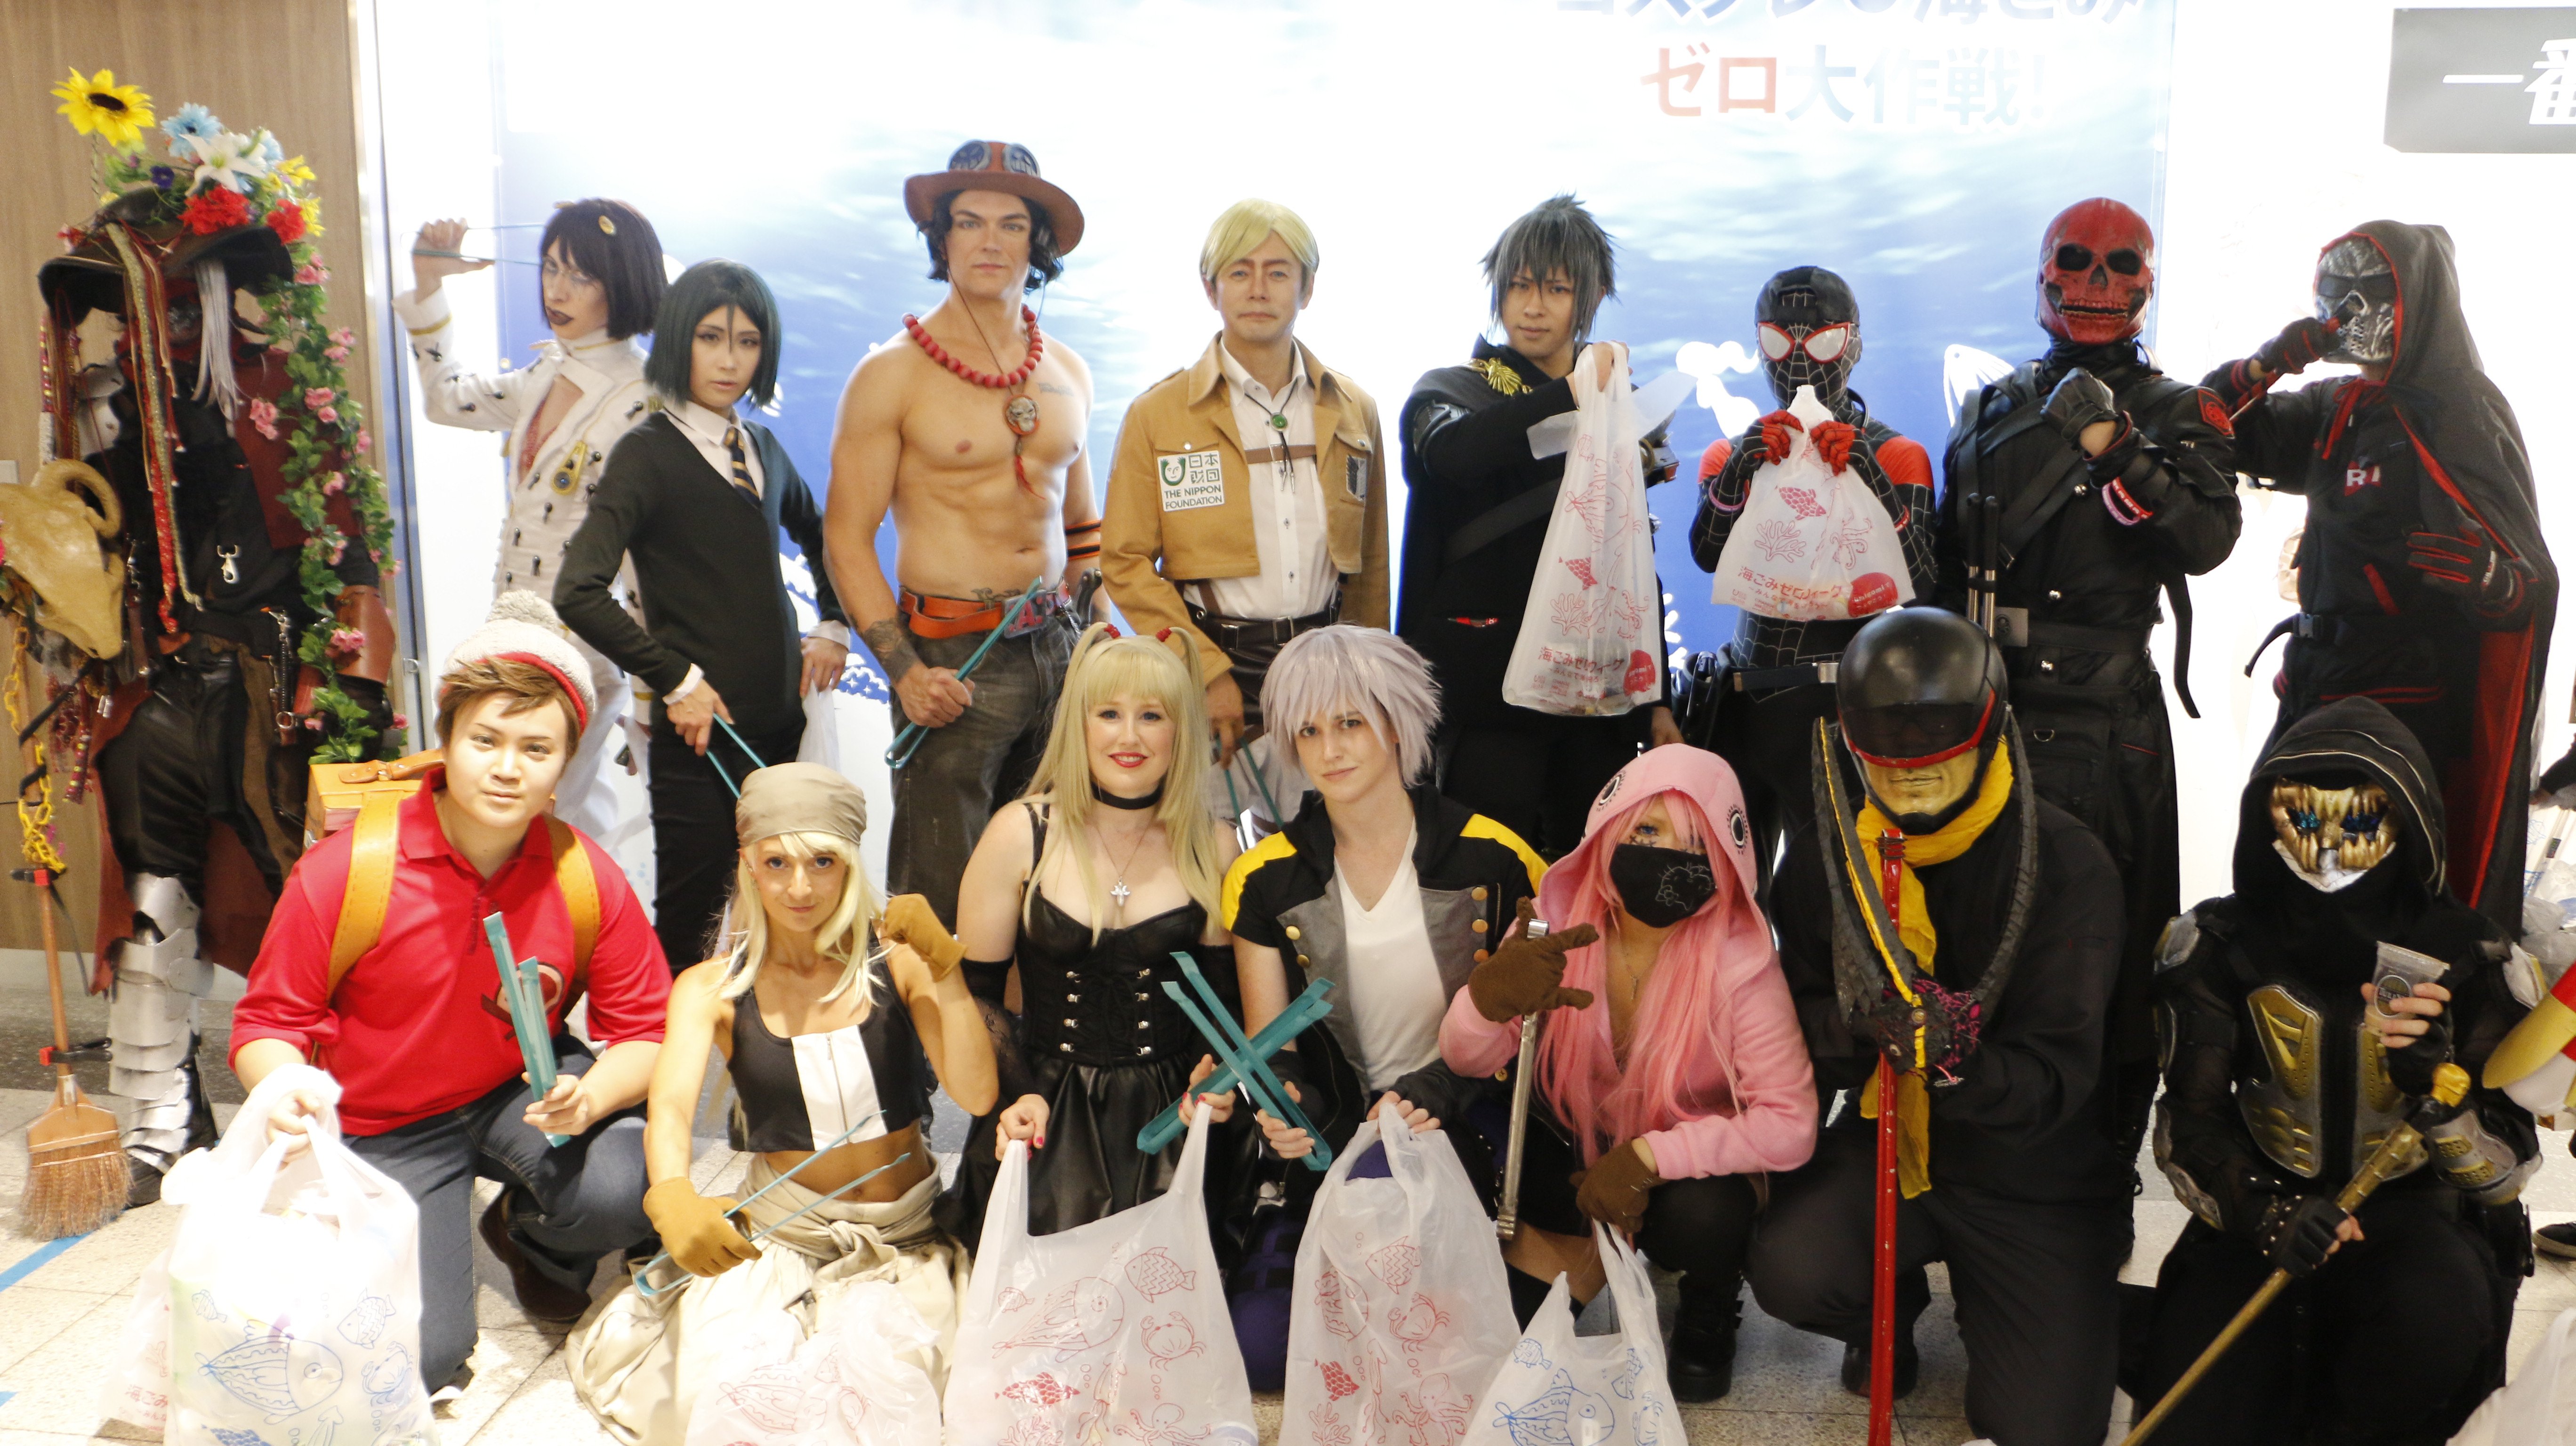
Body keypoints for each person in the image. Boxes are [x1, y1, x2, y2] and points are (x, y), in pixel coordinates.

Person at [41, 185, 394, 1205]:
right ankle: (159, 1124)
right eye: (132, 305)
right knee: (152, 904)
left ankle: (346, 1108)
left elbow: (351, 560)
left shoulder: (287, 398)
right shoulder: (108, 414)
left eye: (169, 299)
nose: (148, 324)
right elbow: (87, 565)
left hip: (271, 691)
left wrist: (358, 702)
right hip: (151, 688)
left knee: (313, 901)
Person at [228, 596, 668, 1394]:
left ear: (565, 761)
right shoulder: (350, 869)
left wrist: (593, 1095)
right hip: (385, 1122)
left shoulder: (582, 874)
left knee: (631, 1180)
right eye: (485, 740)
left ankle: (534, 1240)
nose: (507, 768)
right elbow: (268, 1022)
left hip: (521, 1090)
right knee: (423, 1361)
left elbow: (649, 1032)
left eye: (536, 748)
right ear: (447, 738)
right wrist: (284, 1089)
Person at [1748, 607, 2130, 1446]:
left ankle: (2038, 1304)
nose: (1915, 765)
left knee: (2042, 1431)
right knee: (1793, 1267)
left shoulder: (2068, 864)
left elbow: (2061, 1077)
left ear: (1990, 727)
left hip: (2032, 1172)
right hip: (1886, 1140)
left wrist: (1959, 1060)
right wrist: (1859, 1028)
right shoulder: (1825, 858)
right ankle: (1887, 1308)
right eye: (1889, 745)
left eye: (1940, 739)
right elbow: (1794, 1022)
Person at [2137, 697, 2536, 1445]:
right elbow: (2188, 1123)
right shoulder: (2217, 943)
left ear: (2407, 818)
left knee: (2431, 1330)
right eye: (2301, 815)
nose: (2326, 844)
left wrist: (2440, 1094)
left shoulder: (2475, 956)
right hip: (2260, 1209)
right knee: (2195, 1412)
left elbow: (2505, 1171)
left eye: (2356, 819)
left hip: (2415, 1221)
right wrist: (2264, 1211)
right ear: (2267, 814)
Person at [1934, 196, 2240, 1170]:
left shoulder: (2179, 411)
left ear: (2148, 283)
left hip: (2107, 722)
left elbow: (2208, 538)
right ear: (2044, 275)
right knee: (1973, 930)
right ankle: (1971, 1145)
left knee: (2102, 943)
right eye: (2077, 261)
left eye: (2121, 266)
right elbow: (1943, 561)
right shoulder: (1990, 406)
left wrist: (2121, 451)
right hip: (1983, 710)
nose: (2098, 284)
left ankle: (2092, 1168)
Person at [566, 763, 992, 1443]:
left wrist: (948, 974)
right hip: (778, 1234)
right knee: (717, 1394)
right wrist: (671, 1193)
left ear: (850, 864)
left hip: (906, 1241)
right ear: (748, 865)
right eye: (777, 863)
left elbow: (977, 1092)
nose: (800, 888)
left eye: (823, 862)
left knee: (903, 1403)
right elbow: (671, 1108)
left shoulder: (900, 960)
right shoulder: (711, 987)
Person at [1221, 624, 1548, 1386]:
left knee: (1463, 1331)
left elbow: (1534, 1025)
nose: (1330, 749)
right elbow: (1271, 1046)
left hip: (1466, 1116)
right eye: (1308, 731)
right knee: (1261, 1349)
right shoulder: (1265, 876)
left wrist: (1442, 1088)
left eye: (1350, 723)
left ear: (1397, 725)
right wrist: (1287, 1103)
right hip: (1337, 1131)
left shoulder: (1494, 855)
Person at [2206, 222, 2554, 935]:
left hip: (2403, 699)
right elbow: (2209, 427)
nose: (2344, 314)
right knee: (2281, 870)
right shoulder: (2336, 406)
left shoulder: (2461, 410)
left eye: (2367, 294)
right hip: (2315, 679)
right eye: (2334, 292)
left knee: (2361, 888)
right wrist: (2267, 363)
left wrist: (2494, 580)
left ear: (2417, 300)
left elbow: (2526, 577)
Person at [1440, 746, 1816, 1401]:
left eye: (1696, 843)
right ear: (1607, 830)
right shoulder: (1556, 929)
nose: (1667, 856)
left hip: (1687, 1177)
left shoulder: (1741, 962)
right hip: (1573, 1155)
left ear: (1726, 861)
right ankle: (1588, 1250)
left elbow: (1791, 1125)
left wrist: (1649, 1158)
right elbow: (1465, 1059)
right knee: (1504, 1351)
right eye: (1647, 829)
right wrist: (1486, 1000)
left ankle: (1709, 1295)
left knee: (1705, 1218)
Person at [823, 140, 1098, 928]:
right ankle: (929, 1020)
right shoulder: (891, 374)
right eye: (969, 222)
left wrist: (1096, 643)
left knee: (1054, 890)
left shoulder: (1069, 371)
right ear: (940, 238)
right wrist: (906, 672)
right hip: (951, 662)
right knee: (938, 904)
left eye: (1011, 225)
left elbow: (1082, 528)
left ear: (1036, 244)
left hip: (1059, 652)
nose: (989, 241)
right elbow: (847, 538)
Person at [555, 259, 850, 972]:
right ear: (680, 340)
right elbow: (577, 590)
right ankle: (669, 1051)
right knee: (693, 933)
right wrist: (676, 678)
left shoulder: (763, 447)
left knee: (792, 924)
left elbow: (822, 535)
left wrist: (835, 625)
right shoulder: (646, 454)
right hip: (700, 743)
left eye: (748, 342)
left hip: (785, 730)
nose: (729, 361)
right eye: (711, 338)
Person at [939, 625, 1243, 1249]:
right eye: (1109, 714)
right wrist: (1017, 1097)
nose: (1129, 737)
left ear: (1181, 731)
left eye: (1151, 716)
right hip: (1039, 1108)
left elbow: (1222, 1003)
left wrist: (1211, 1077)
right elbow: (976, 997)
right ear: (1078, 725)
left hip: (1173, 1121)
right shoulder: (1019, 833)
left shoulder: (1213, 844)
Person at [1395, 194, 1680, 860]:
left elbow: (1630, 559)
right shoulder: (1450, 391)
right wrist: (1571, 394)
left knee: (1596, 882)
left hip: (1598, 699)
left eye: (1556, 289)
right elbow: (1454, 456)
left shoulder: (1623, 409)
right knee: (1487, 882)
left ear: (1593, 295)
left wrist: (1657, 700)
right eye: (1519, 286)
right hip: (1487, 698)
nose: (1532, 306)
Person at [1101, 198, 1389, 831]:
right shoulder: (1159, 414)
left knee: (1325, 852)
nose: (1259, 289)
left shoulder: (1354, 409)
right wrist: (1204, 671)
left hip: (1326, 671)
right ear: (1211, 289)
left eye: (1279, 272)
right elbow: (1124, 563)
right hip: (1214, 667)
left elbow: (1370, 566)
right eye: (1240, 271)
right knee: (1210, 856)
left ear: (1307, 288)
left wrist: (1368, 682)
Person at [395, 199, 671, 847]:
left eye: (581, 276)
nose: (557, 290)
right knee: (554, 823)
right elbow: (447, 399)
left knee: (540, 825)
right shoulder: (547, 370)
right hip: (513, 636)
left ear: (623, 283)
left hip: (584, 646)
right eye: (550, 268)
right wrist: (430, 284)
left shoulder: (643, 397)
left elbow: (646, 561)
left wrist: (649, 694)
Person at [1688, 265, 1937, 899]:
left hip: (1838, 703)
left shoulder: (1896, 455)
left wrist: (1874, 482)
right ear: (1759, 345)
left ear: (1853, 346)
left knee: (1834, 896)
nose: (1797, 360)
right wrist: (1735, 476)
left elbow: (1924, 584)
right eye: (1778, 341)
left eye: (1821, 341)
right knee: (1722, 893)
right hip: (1745, 701)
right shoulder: (1733, 453)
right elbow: (1707, 555)